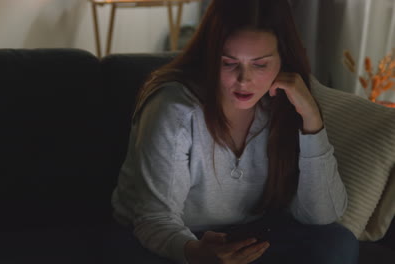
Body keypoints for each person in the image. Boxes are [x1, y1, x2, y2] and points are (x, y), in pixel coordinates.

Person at [108, 0, 359, 263]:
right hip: (161, 238)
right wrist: (195, 252)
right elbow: (153, 219)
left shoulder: (286, 103)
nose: (243, 79)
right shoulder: (174, 108)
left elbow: (322, 215)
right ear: (210, 56)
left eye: (260, 65)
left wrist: (312, 120)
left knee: (337, 242)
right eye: (229, 63)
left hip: (244, 232)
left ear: (283, 60)